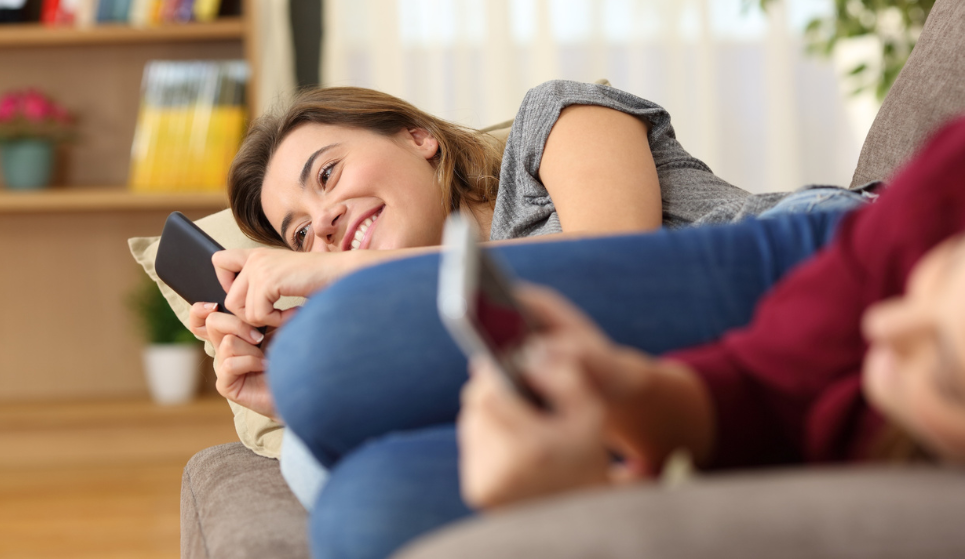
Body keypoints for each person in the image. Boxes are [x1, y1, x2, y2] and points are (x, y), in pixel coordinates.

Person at [262, 115, 965, 559]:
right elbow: (756, 387)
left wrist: (341, 272)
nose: (319, 224)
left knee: (340, 418)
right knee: (320, 452)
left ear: (418, 136)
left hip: (781, 249)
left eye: (326, 176)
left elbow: (609, 238)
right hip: (788, 323)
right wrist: (627, 395)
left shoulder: (554, 116)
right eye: (298, 232)